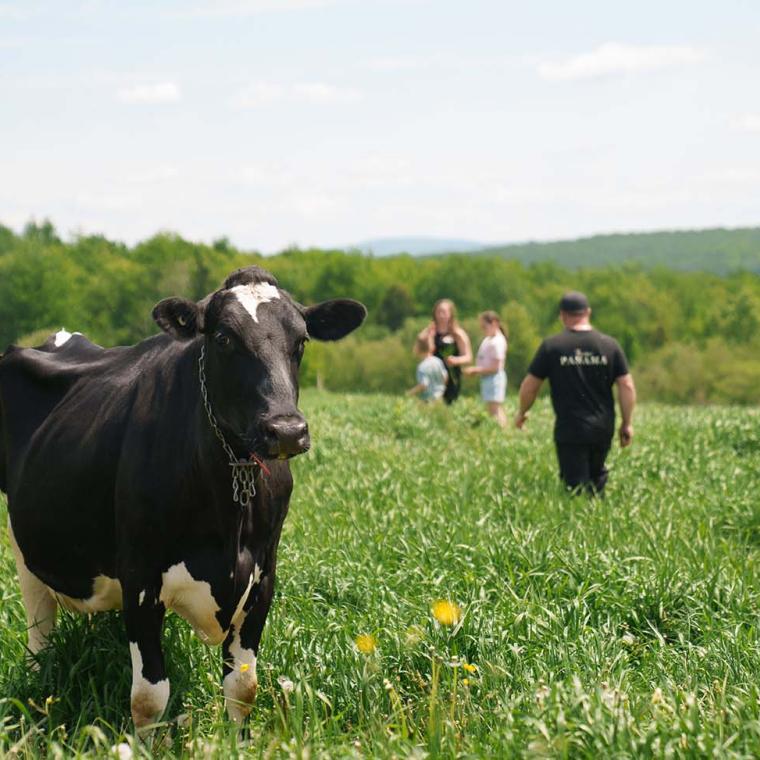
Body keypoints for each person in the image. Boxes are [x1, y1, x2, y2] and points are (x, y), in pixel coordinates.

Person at [515, 291, 636, 495]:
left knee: (575, 489)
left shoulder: (552, 346)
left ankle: (583, 523)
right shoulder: (609, 345)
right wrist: (627, 423)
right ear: (587, 312)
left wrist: (522, 412)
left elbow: (530, 385)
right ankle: (600, 522)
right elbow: (627, 386)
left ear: (562, 315)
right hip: (602, 426)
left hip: (570, 428)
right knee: (596, 481)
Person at [415, 299, 472, 404]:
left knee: (449, 404)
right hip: (433, 377)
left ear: (451, 314)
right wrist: (428, 332)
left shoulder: (458, 334)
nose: (441, 315)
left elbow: (468, 357)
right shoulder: (430, 331)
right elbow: (419, 346)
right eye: (438, 312)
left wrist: (455, 360)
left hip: (451, 376)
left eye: (444, 312)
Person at [463, 311, 508, 427]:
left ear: (494, 323)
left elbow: (495, 367)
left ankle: (504, 433)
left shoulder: (497, 341)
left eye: (484, 327)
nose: (483, 330)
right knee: (493, 408)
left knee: (495, 410)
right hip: (488, 378)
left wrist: (476, 370)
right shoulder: (490, 339)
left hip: (494, 379)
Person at [407, 335, 448, 402]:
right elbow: (445, 377)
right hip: (440, 398)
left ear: (419, 349)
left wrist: (410, 393)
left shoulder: (422, 367)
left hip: (429, 400)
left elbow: (424, 385)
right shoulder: (438, 361)